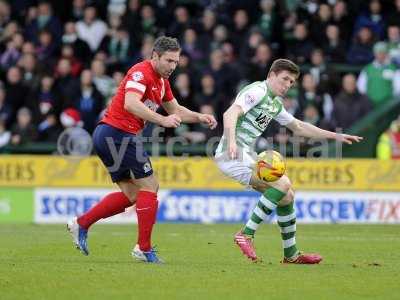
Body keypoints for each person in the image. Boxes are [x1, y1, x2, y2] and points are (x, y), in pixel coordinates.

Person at [67, 36, 217, 263]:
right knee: (150, 185)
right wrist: (161, 120)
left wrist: (199, 117)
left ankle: (81, 223)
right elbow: (131, 103)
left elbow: (176, 109)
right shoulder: (141, 72)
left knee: (133, 195)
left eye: (176, 62)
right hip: (117, 133)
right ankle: (143, 248)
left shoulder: (162, 81)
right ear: (154, 56)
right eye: (169, 61)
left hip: (111, 135)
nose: (173, 67)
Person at [214, 59, 362, 264]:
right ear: (271, 75)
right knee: (282, 184)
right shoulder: (257, 91)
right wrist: (231, 141)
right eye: (284, 79)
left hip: (245, 153)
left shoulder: (274, 104)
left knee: (287, 196)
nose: (287, 85)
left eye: (291, 82)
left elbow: (299, 127)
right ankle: (246, 234)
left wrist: (336, 136)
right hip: (231, 153)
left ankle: (291, 255)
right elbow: (230, 113)